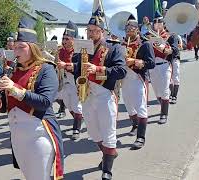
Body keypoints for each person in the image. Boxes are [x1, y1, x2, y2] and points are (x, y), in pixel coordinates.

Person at [0, 16, 64, 180]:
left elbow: (44, 102)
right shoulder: (11, 71)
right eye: (14, 48)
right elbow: (7, 106)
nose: (16, 52)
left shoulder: (46, 69)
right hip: (17, 137)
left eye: (21, 47)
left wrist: (15, 89)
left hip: (39, 135)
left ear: (32, 48)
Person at [73, 7, 127, 180]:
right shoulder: (82, 47)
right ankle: (109, 154)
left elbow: (121, 71)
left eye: (95, 31)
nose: (91, 34)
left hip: (105, 93)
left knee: (108, 132)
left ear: (102, 31)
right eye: (89, 30)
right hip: (87, 94)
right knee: (94, 133)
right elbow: (77, 69)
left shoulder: (114, 47)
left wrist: (98, 69)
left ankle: (107, 170)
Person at [121, 14, 155, 149]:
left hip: (138, 78)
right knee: (129, 106)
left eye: (132, 28)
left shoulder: (145, 44)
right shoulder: (121, 44)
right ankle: (135, 125)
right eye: (127, 28)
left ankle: (141, 137)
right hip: (125, 79)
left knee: (140, 107)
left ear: (137, 30)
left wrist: (135, 61)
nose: (129, 31)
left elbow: (151, 63)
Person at [150, 11, 178, 124]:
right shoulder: (149, 36)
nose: (157, 24)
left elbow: (175, 50)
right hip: (153, 67)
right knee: (157, 92)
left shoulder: (171, 36)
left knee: (165, 90)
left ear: (163, 23)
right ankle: (163, 106)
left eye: (160, 22)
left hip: (165, 65)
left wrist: (167, 49)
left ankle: (164, 114)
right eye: (155, 22)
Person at [57, 20, 83, 140]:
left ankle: (76, 128)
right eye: (64, 38)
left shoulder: (79, 51)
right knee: (68, 104)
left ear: (73, 39)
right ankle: (79, 118)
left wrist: (67, 65)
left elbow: (80, 65)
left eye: (67, 39)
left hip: (75, 80)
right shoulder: (60, 51)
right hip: (65, 81)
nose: (64, 41)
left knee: (77, 106)